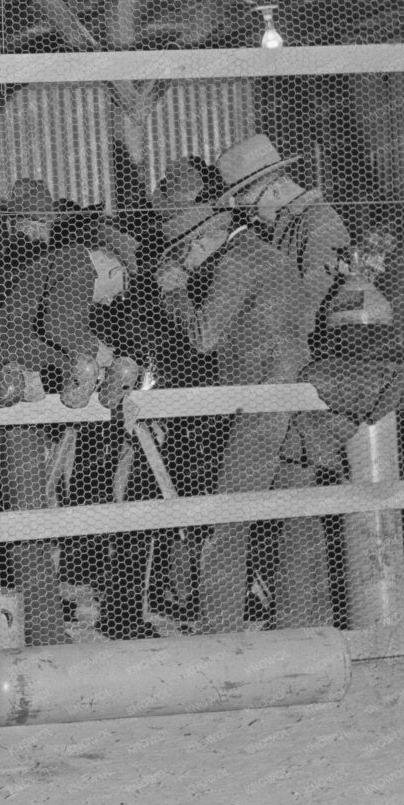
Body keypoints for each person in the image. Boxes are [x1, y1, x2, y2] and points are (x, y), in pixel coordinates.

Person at [154, 199, 322, 634]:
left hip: (264, 400)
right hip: (299, 393)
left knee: (228, 512)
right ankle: (301, 623)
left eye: (182, 252)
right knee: (297, 513)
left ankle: (220, 627)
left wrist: (174, 292)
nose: (183, 263)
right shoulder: (272, 255)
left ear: (203, 238)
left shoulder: (233, 264)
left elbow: (204, 337)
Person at [0, 211, 141, 643]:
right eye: (118, 290)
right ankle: (41, 628)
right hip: (19, 370)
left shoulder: (64, 264)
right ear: (110, 267)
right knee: (29, 506)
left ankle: (44, 622)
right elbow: (60, 324)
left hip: (29, 363)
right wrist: (100, 353)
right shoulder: (77, 265)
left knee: (36, 504)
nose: (111, 302)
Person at [215, 133, 349, 333]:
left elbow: (314, 307)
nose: (251, 218)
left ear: (275, 190)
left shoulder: (318, 223)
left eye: (252, 208)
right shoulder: (282, 225)